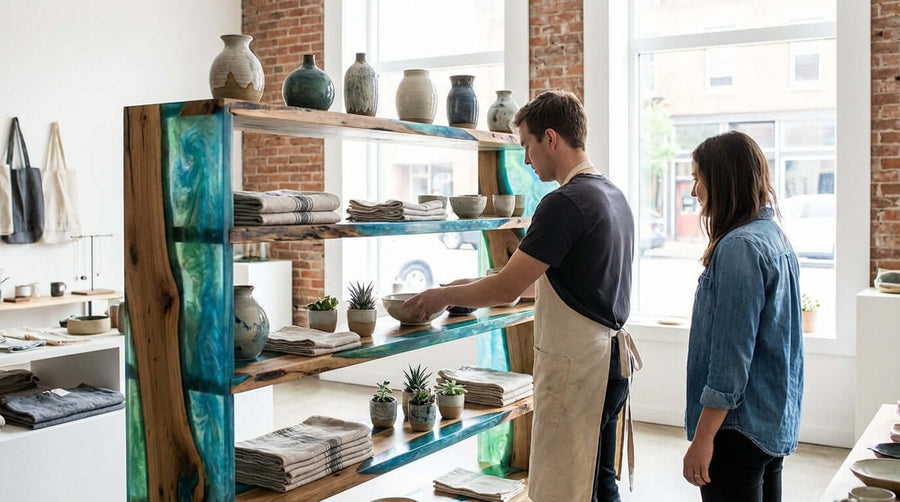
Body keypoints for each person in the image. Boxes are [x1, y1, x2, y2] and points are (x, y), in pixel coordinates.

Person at [403, 90, 641, 502]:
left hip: (580, 368)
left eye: (527, 146)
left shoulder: (564, 202)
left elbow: (507, 288)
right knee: (598, 481)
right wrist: (461, 286)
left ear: (551, 138)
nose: (526, 160)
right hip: (612, 364)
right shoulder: (611, 195)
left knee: (564, 489)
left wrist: (440, 297)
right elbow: (541, 280)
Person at [682, 131, 804, 502]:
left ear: (721, 181)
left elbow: (730, 362)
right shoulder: (774, 237)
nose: (693, 192)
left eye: (697, 179)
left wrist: (703, 440)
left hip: (736, 431)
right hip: (769, 423)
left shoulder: (739, 247)